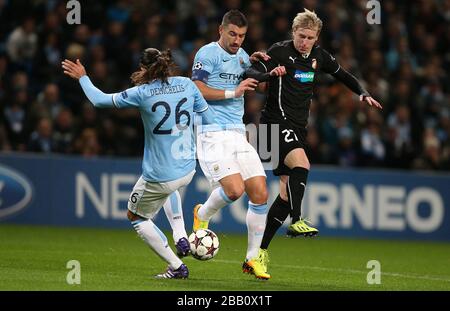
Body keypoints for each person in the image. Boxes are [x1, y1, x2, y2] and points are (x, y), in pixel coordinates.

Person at [246, 9, 382, 273]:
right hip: (273, 125)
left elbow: (343, 74)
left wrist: (362, 93)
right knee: (303, 164)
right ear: (293, 33)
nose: (304, 42)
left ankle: (258, 255)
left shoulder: (319, 57)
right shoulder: (279, 51)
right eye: (300, 36)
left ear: (317, 38)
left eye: (310, 37)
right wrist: (267, 72)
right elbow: (252, 70)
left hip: (297, 129)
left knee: (285, 195)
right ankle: (297, 221)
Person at [62, 48, 215, 279]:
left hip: (160, 174)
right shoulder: (187, 84)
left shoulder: (142, 92)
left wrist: (83, 76)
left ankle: (177, 267)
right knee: (168, 189)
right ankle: (180, 236)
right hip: (187, 168)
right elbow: (210, 119)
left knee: (137, 217)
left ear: (144, 69)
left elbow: (99, 100)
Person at [191, 9, 285, 280]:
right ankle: (202, 213)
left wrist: (271, 72)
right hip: (211, 131)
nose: (237, 39)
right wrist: (235, 91)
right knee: (234, 191)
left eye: (242, 35)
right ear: (220, 30)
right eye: (232, 33)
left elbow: (253, 77)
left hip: (237, 133)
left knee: (260, 193)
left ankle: (251, 260)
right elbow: (197, 88)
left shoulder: (243, 56)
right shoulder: (207, 54)